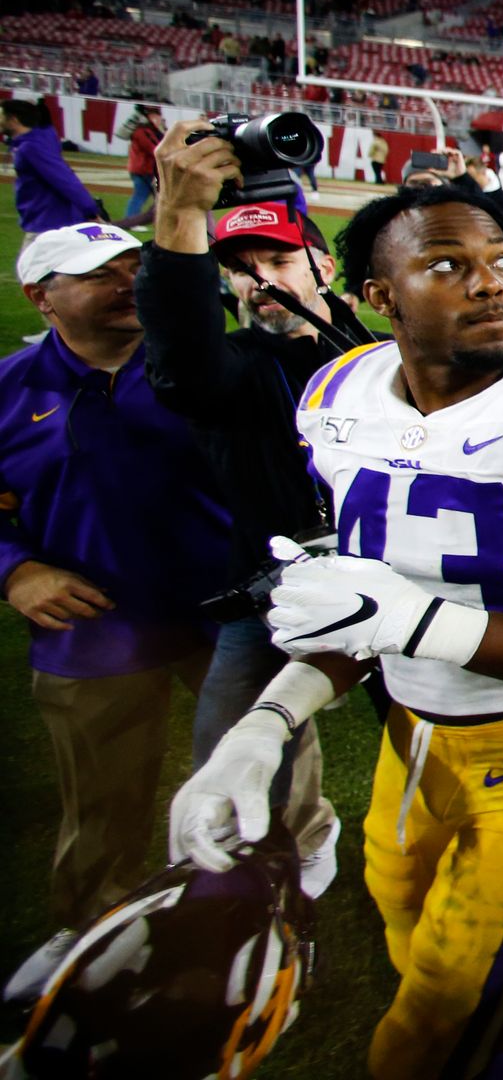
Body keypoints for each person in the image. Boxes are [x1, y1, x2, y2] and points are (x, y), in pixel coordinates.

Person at [167, 182, 503, 1079]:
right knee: (398, 905)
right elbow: (362, 608)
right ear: (377, 295)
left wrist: (416, 622)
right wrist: (264, 726)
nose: (490, 286)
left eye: (499, 264)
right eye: (447, 265)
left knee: (425, 1029)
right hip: (412, 728)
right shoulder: (337, 394)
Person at [0, 225, 233, 990]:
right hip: (93, 629)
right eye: (99, 274)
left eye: (135, 266)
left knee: (258, 776)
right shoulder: (8, 388)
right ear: (42, 296)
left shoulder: (200, 365)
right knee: (101, 800)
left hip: (222, 613)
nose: (127, 282)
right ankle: (91, 927)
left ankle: (265, 910)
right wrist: (14, 570)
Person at [137, 130, 359, 890]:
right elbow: (181, 361)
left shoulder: (374, 349)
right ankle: (247, 893)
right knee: (231, 756)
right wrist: (179, 215)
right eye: (240, 270)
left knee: (442, 740)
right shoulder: (234, 368)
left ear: (323, 267)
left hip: (409, 583)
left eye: (278, 261)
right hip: (270, 592)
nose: (259, 280)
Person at [3, 99, 99, 239]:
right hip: (47, 221)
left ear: (14, 119)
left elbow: (65, 179)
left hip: (46, 224)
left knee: (31, 261)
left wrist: (90, 210)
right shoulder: (37, 141)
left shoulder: (31, 148)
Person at [118, 104, 165, 220]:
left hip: (144, 168)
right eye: (156, 115)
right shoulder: (143, 131)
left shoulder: (148, 130)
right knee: (140, 195)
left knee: (146, 195)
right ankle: (131, 219)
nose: (159, 118)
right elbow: (154, 149)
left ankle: (138, 218)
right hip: (143, 169)